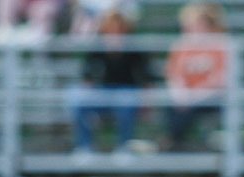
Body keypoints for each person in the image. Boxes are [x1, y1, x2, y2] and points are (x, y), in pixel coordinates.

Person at [69, 9, 151, 158]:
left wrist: (146, 102)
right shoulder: (97, 45)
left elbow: (145, 79)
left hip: (126, 91)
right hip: (102, 92)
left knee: (127, 100)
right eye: (111, 29)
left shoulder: (134, 48)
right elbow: (87, 77)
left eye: (118, 29)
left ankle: (124, 148)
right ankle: (85, 147)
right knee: (76, 98)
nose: (114, 33)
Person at [163, 2, 228, 151]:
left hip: (211, 99)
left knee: (187, 112)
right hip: (185, 100)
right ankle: (176, 146)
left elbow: (219, 80)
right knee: (170, 107)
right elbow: (174, 76)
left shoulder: (221, 45)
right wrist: (181, 96)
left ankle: (176, 146)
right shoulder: (181, 46)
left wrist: (193, 97)